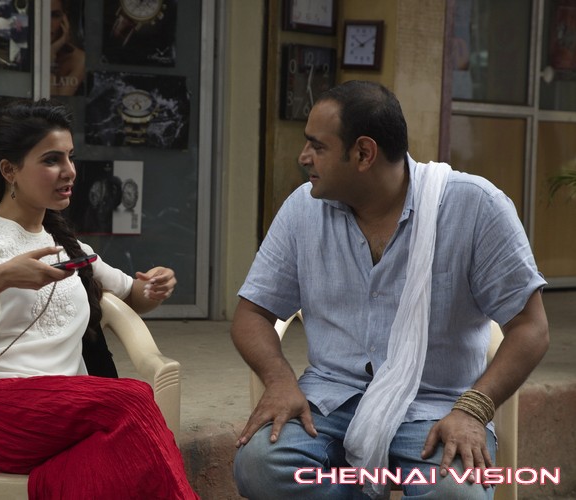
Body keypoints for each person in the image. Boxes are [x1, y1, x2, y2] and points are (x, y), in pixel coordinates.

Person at [231, 80, 549, 499]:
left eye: (317, 146)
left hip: (437, 408)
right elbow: (252, 313)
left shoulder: (475, 207)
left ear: (364, 153)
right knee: (260, 466)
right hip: (329, 402)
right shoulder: (303, 209)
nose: (303, 156)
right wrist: (278, 381)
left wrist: (474, 409)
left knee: (457, 494)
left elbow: (530, 328)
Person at [0, 99, 198, 499]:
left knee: (113, 459)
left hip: (66, 417)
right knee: (133, 403)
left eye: (70, 157)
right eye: (52, 160)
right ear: (9, 170)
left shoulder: (71, 247)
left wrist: (154, 286)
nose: (69, 171)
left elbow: (133, 295)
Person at [50, 0, 86, 96]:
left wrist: (50, 58)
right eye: (41, 15)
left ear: (64, 20)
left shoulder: (79, 60)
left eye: (55, 15)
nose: (47, 23)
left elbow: (54, 103)